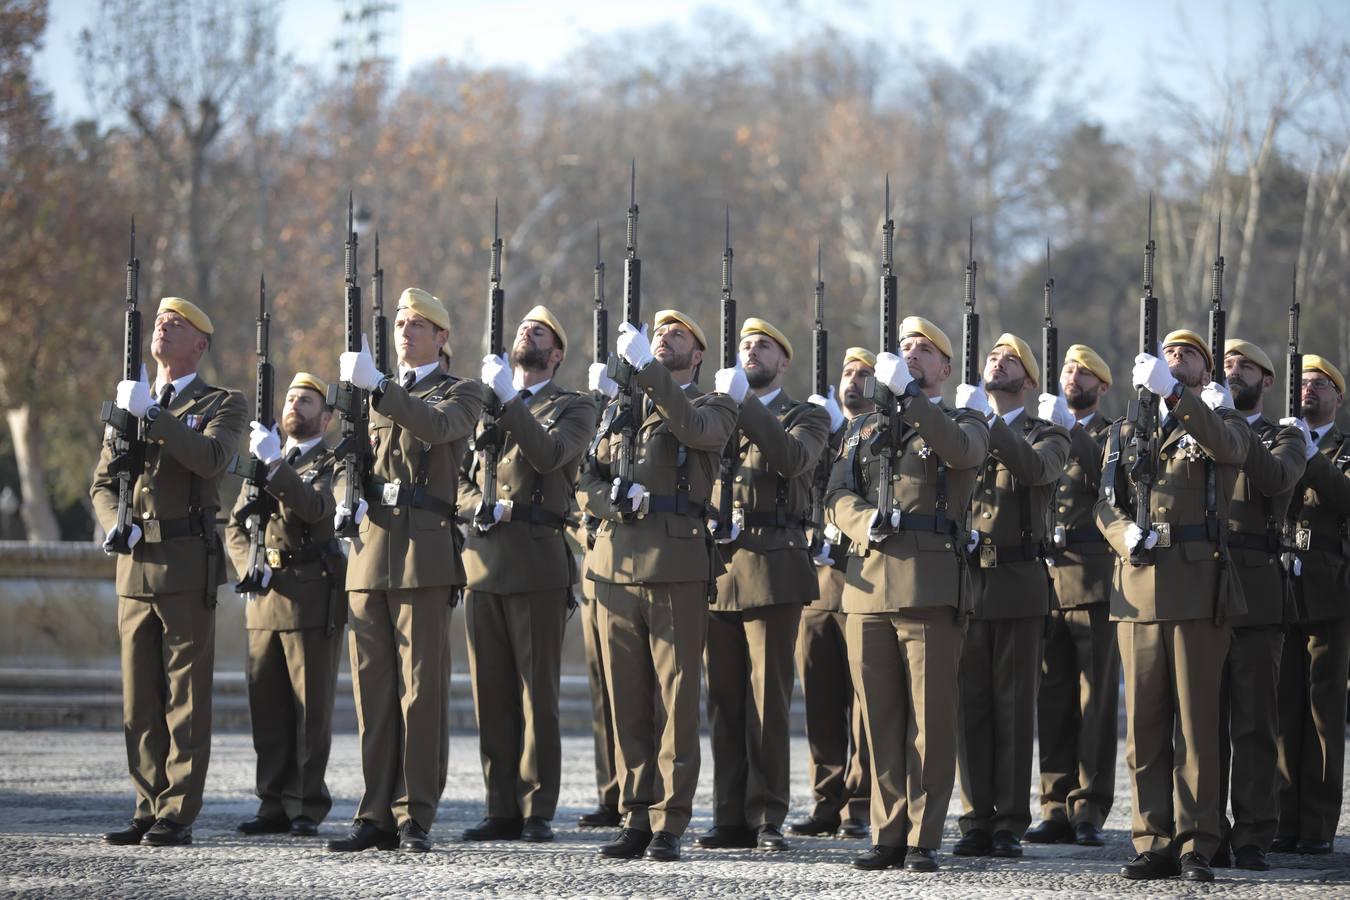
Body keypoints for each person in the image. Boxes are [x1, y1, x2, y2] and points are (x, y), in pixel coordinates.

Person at [825, 316, 990, 873]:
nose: (912, 354)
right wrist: (862, 520)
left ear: (945, 368)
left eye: (925, 350)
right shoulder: (864, 428)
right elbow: (836, 492)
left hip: (929, 585)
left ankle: (924, 836)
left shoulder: (964, 417)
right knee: (880, 718)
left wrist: (913, 400)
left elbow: (961, 455)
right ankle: (887, 831)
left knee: (930, 719)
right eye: (904, 348)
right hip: (867, 586)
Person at [327, 288, 483, 854]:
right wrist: (346, 496)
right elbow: (346, 461)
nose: (406, 331)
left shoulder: (461, 391)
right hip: (371, 554)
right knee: (373, 693)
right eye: (400, 322)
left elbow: (438, 429)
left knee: (421, 692)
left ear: (442, 338)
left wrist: (380, 389)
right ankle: (374, 812)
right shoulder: (368, 394)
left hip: (424, 552)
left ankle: (414, 812)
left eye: (419, 324)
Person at [578, 309, 738, 862]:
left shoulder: (714, 405)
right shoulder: (621, 407)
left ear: (697, 355)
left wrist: (647, 369)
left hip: (676, 565)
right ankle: (635, 814)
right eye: (658, 333)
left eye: (677, 336)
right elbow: (585, 476)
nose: (663, 338)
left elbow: (694, 432)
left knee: (676, 700)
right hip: (615, 566)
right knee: (626, 700)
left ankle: (670, 819)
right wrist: (611, 501)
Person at [1096, 329, 1251, 882]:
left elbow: (1231, 452)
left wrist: (1177, 399)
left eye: (1187, 354)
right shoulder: (1125, 429)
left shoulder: (1219, 420)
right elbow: (1105, 502)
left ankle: (1197, 842)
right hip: (1136, 591)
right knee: (1144, 725)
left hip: (1195, 588)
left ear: (1205, 373)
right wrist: (1123, 535)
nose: (1174, 358)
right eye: (1167, 353)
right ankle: (1152, 837)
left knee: (1196, 725)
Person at [92, 297, 247, 847]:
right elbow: (104, 483)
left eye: (175, 325)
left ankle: (176, 810)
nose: (162, 328)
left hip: (185, 565)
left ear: (199, 346)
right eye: (159, 322)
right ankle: (145, 802)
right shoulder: (129, 403)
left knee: (184, 697)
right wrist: (115, 523)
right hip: (134, 569)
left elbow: (211, 459)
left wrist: (153, 417)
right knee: (139, 699)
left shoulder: (224, 403)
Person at [457, 306, 597, 843]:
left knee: (538, 694)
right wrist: (477, 507)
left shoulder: (573, 406)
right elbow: (461, 481)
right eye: (522, 329)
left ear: (556, 354)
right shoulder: (483, 406)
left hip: (537, 561)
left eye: (538, 332)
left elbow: (549, 455)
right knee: (490, 693)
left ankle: (537, 806)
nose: (526, 334)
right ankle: (501, 807)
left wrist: (510, 401)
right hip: (484, 562)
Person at [697, 318, 830, 853]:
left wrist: (741, 408)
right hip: (719, 568)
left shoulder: (807, 416)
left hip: (773, 566)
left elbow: (791, 458)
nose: (752, 351)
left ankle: (768, 813)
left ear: (784, 363)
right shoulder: (717, 411)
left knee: (766, 699)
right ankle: (729, 815)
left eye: (764, 346)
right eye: (745, 344)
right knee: (723, 702)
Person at [954, 334, 1071, 861]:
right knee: (969, 705)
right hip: (967, 581)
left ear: (1029, 378)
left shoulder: (1048, 433)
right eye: (991, 357)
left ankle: (1008, 821)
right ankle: (975, 816)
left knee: (1013, 706)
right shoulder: (963, 427)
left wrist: (988, 425)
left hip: (1019, 580)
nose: (995, 364)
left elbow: (1035, 469)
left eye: (1009, 360)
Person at [225, 373, 347, 838]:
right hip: (265, 594)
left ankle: (305, 803)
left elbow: (318, 511)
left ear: (328, 416)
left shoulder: (334, 463)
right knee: (268, 706)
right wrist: (246, 565)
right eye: (291, 398)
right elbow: (235, 526)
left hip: (311, 594)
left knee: (308, 708)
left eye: (308, 400)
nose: (295, 405)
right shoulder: (263, 463)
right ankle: (272, 801)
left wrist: (277, 465)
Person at [1212, 340, 1311, 870]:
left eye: (1245, 366)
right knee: (1204, 726)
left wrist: (1228, 423)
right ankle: (1205, 830)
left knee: (1253, 723)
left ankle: (1252, 832)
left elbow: (1274, 480)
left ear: (1267, 381)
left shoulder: (1286, 436)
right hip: (1202, 589)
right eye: (1226, 364)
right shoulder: (1201, 430)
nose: (1233, 371)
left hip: (1257, 593)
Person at [1028, 345, 1118, 848]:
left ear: (1101, 388)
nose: (1073, 376)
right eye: (1067, 368)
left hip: (1092, 580)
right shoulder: (1044, 428)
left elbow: (1108, 474)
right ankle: (1054, 805)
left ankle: (1089, 808)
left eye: (1084, 371)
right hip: (1046, 582)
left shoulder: (1109, 434)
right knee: (1053, 698)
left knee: (1095, 701)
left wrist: (1070, 431)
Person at [788, 348, 876, 841]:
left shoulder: (882, 436)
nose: (855, 381)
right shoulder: (819, 432)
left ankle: (860, 803)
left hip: (864, 574)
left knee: (865, 698)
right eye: (848, 373)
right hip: (820, 580)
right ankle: (826, 798)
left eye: (864, 374)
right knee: (821, 696)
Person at [1276, 354, 1350, 855]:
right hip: (1279, 588)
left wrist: (1311, 454)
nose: (1308, 390)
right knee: (1282, 709)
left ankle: (1318, 824)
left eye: (1320, 384)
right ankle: (1282, 817)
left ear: (1338, 398)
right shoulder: (1278, 440)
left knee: (1323, 710)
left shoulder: (1343, 448)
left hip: (1329, 588)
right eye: (1301, 382)